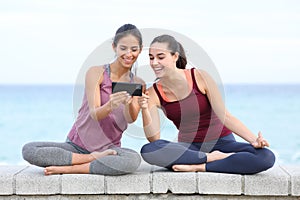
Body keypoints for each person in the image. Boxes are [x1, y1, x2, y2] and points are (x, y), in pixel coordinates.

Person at [138, 34, 275, 175]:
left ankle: (199, 166)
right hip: (189, 148)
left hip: (223, 143)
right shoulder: (153, 93)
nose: (154, 62)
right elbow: (154, 139)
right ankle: (210, 159)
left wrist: (254, 140)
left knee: (266, 157)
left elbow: (225, 116)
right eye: (151, 57)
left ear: (175, 56)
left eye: (160, 57)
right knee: (149, 150)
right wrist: (144, 109)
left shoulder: (200, 77)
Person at [22, 24, 144, 175]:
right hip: (77, 146)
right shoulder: (96, 72)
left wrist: (128, 104)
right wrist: (111, 105)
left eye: (134, 49)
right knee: (29, 150)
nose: (128, 54)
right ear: (114, 47)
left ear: (140, 49)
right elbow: (94, 113)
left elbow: (131, 118)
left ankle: (71, 168)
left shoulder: (138, 83)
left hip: (109, 151)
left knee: (133, 160)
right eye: (123, 48)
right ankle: (91, 158)